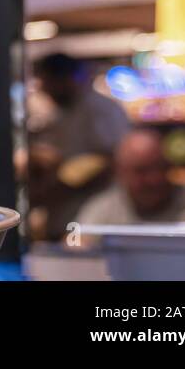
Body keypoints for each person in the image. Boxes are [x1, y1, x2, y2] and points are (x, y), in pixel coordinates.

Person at [29, 52, 131, 239]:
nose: (45, 89)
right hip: (63, 214)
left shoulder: (100, 110)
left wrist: (60, 189)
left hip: (94, 214)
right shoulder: (60, 112)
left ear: (66, 79)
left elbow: (109, 161)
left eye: (48, 82)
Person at [74, 129, 185, 228]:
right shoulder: (101, 210)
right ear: (120, 173)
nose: (154, 179)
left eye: (160, 167)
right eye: (142, 171)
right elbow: (75, 250)